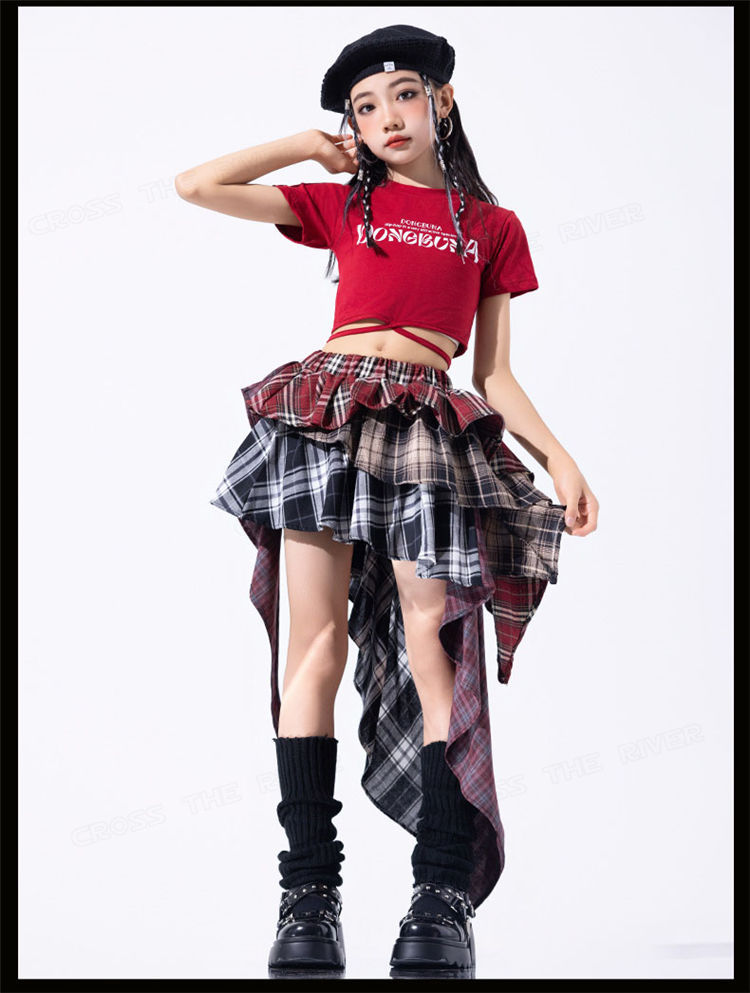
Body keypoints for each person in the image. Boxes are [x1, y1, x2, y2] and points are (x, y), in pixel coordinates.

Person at [176, 23, 599, 978]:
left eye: (403, 95)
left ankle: (440, 890)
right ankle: (307, 893)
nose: (385, 118)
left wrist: (560, 457)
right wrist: (305, 145)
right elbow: (195, 186)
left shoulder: (491, 226)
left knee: (431, 639)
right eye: (364, 108)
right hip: (326, 410)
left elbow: (494, 374)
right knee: (312, 644)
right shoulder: (341, 203)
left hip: (425, 424)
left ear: (442, 100)